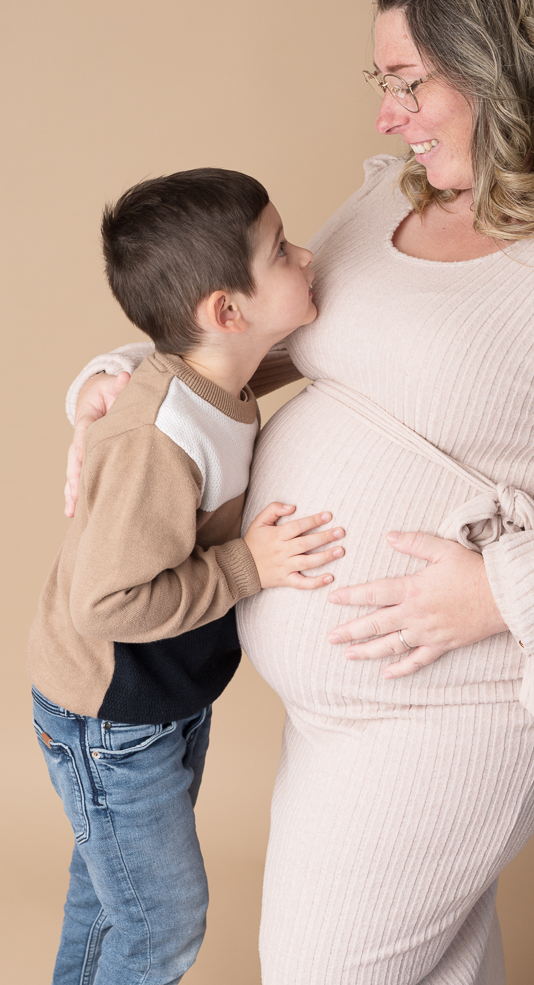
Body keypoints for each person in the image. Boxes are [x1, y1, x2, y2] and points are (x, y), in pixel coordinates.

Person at [65, 0, 534, 984]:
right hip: (346, 695)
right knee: (433, 962)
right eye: (381, 79)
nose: (386, 116)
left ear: (510, 73)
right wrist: (119, 389)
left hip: (467, 692)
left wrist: (504, 590)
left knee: (325, 968)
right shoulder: (387, 206)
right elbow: (242, 335)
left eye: (410, 83)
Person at [31, 167, 345, 984]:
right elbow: (105, 602)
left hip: (159, 699)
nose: (308, 256)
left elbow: (290, 347)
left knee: (111, 905)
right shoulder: (157, 437)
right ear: (227, 311)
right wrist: (249, 565)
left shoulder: (222, 374)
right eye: (281, 251)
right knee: (161, 929)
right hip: (113, 717)